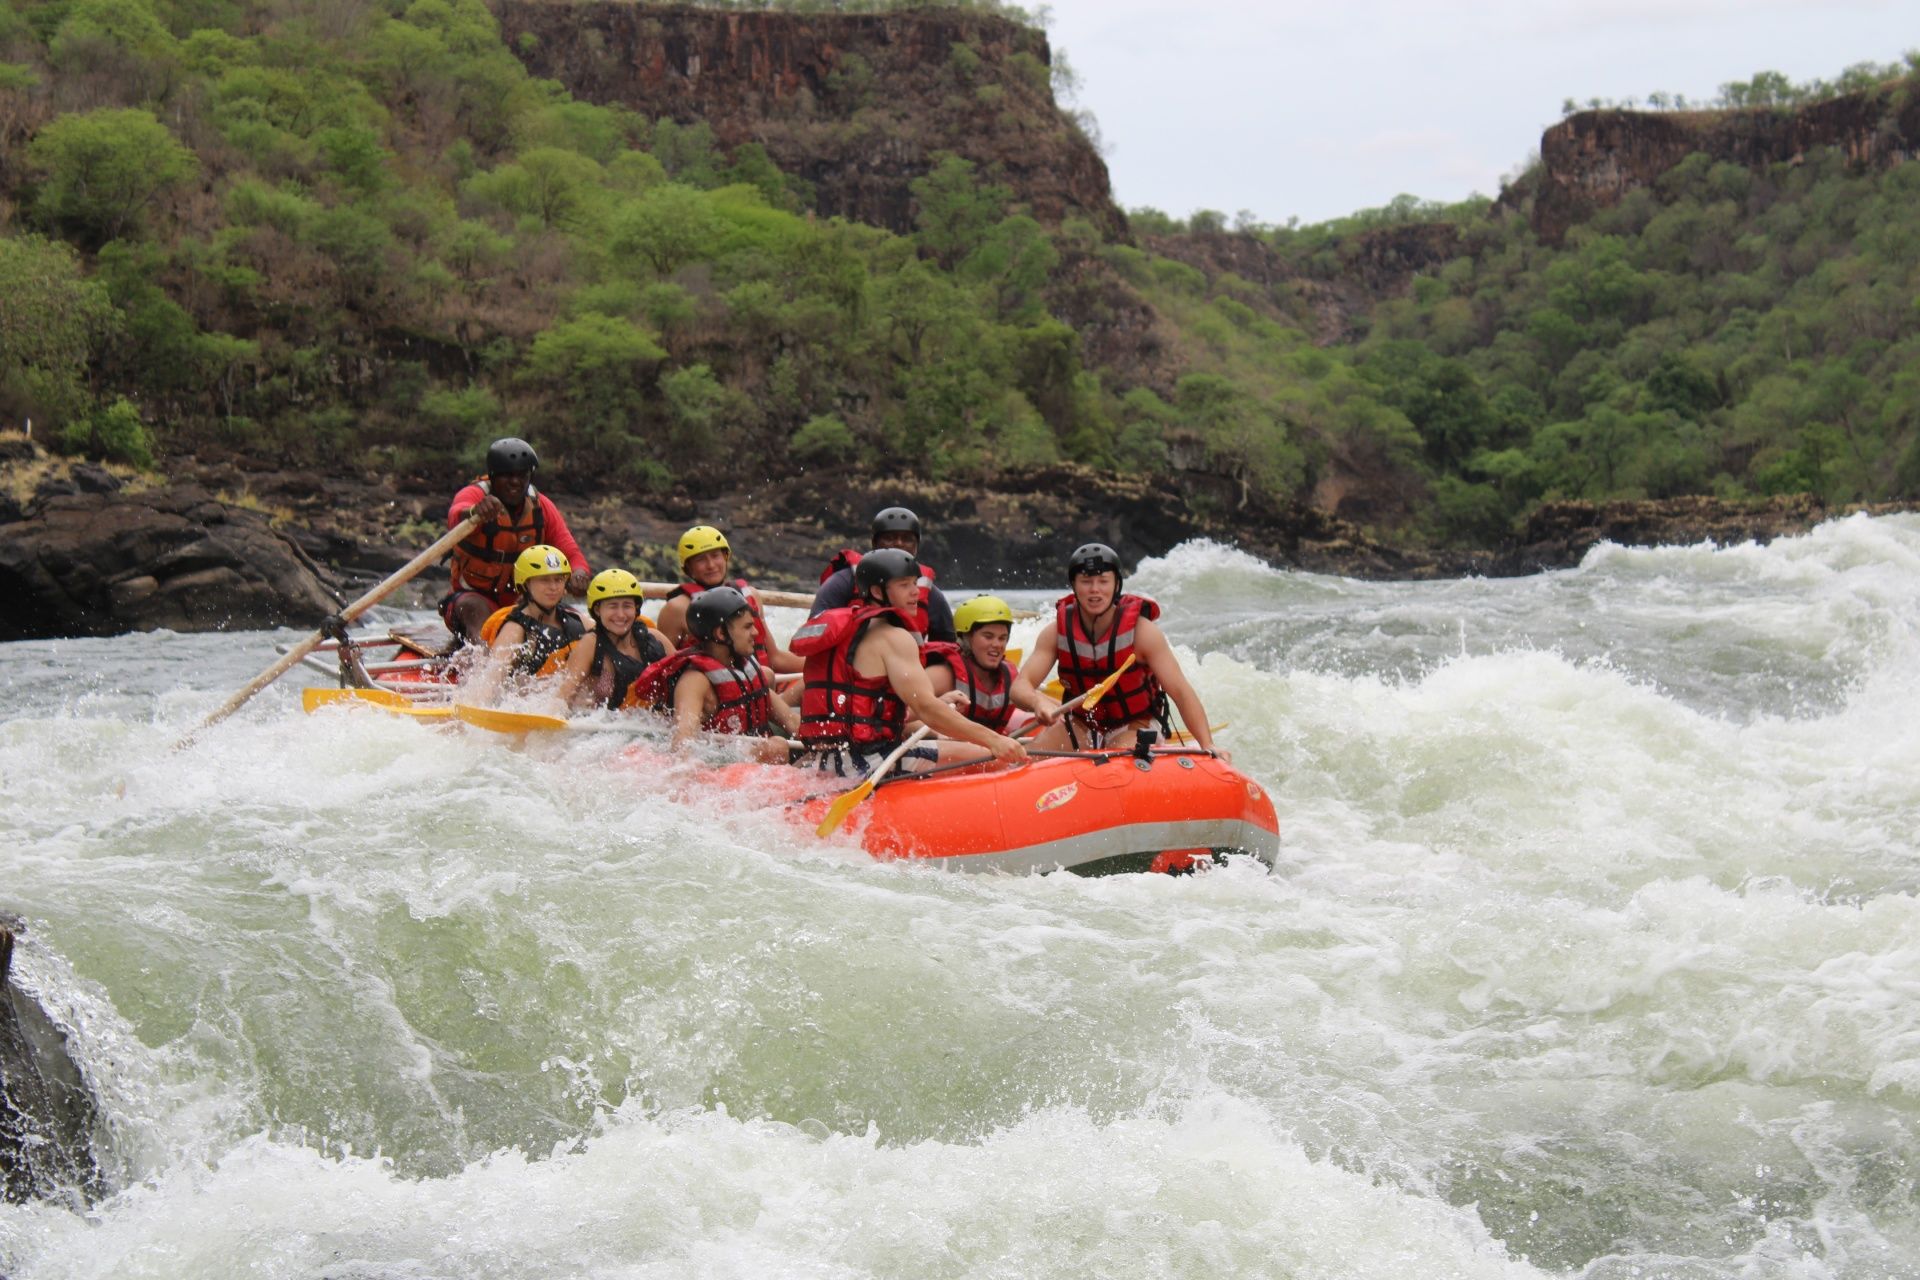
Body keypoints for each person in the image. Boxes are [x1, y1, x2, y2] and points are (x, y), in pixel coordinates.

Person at [789, 548, 1025, 778]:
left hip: (828, 760)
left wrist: (939, 701)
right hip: (871, 763)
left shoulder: (845, 632)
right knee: (986, 757)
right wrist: (995, 740)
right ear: (877, 591)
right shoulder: (894, 637)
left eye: (915, 583)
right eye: (904, 585)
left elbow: (864, 710)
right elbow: (928, 711)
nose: (916, 593)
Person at [1018, 543, 1225, 757]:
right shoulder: (1056, 633)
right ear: (1074, 585)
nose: (1095, 589)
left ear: (1116, 585)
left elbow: (1181, 692)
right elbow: (1020, 686)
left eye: (1103, 581)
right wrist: (1037, 701)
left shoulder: (1143, 634)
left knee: (1114, 764)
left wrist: (1207, 744)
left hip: (1134, 724)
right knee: (1026, 761)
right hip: (1082, 724)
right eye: (1086, 582)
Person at [442, 437, 589, 645]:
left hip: (525, 603)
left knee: (574, 622)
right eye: (507, 476)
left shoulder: (541, 507)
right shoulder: (474, 495)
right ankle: (482, 668)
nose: (515, 482)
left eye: (522, 475)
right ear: (493, 476)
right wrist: (475, 512)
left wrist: (579, 573)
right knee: (475, 608)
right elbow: (456, 515)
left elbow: (570, 551)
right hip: (472, 599)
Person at [629, 586, 799, 760]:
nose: (755, 633)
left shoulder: (743, 668)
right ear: (721, 633)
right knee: (776, 747)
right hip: (719, 764)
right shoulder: (695, 681)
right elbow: (683, 739)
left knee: (790, 737)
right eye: (747, 627)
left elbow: (792, 720)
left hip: (750, 756)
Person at [652, 525, 801, 673]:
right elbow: (664, 668)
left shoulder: (750, 596)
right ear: (688, 568)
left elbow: (775, 659)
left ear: (725, 557)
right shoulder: (676, 608)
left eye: (715, 556)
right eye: (701, 560)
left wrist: (821, 666)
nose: (711, 565)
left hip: (758, 682)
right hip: (708, 689)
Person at [808, 506, 957, 644]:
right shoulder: (842, 582)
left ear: (916, 546)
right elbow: (814, 636)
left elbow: (947, 648)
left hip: (907, 668)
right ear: (874, 543)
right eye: (890, 537)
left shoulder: (930, 594)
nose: (899, 543)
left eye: (907, 539)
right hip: (850, 669)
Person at [922, 594, 1062, 734]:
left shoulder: (1009, 679)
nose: (997, 645)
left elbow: (1060, 709)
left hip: (989, 748)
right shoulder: (942, 675)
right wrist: (939, 736)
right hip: (945, 749)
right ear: (967, 637)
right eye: (988, 636)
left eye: (1002, 638)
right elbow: (905, 717)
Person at [464, 544, 586, 702]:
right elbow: (489, 682)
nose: (553, 587)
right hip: (524, 705)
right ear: (525, 584)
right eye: (544, 580)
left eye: (558, 580)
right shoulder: (515, 629)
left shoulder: (577, 620)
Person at [553, 568, 668, 712]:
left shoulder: (655, 638)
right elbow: (562, 698)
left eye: (627, 606)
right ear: (597, 610)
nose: (620, 614)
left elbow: (684, 679)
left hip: (651, 727)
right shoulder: (590, 644)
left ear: (636, 608)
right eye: (612, 606)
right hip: (603, 728)